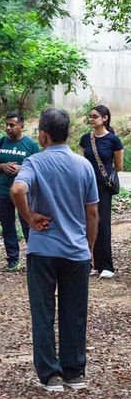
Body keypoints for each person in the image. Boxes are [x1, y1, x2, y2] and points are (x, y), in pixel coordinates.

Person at [11, 108, 99, 392]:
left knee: (44, 311)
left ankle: (51, 375)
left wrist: (30, 217)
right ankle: (75, 372)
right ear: (68, 133)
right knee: (74, 312)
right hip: (76, 251)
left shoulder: (34, 162)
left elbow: (17, 190)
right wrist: (89, 247)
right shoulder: (83, 165)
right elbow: (93, 212)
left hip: (44, 249)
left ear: (44, 135)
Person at [0, 112, 39, 271]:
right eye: (7, 125)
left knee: (27, 223)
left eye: (12, 125)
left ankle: (34, 256)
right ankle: (12, 258)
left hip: (25, 192)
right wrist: (2, 167)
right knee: (7, 225)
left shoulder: (30, 145)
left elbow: (39, 167)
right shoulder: (0, 142)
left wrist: (21, 169)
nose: (8, 128)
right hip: (3, 191)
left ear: (22, 126)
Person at [79, 105, 124, 279]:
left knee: (103, 223)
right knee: (87, 223)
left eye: (95, 116)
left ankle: (106, 265)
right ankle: (92, 263)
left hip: (103, 186)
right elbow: (83, 162)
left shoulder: (113, 140)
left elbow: (119, 166)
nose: (91, 119)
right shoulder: (85, 139)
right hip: (86, 185)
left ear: (104, 118)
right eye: (90, 116)